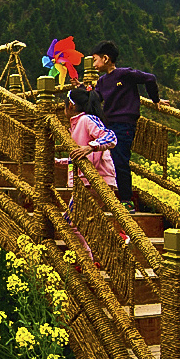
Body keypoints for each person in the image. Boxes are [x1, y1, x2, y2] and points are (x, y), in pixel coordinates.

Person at [89, 40, 163, 213]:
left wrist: (156, 100)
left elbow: (150, 78)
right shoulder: (102, 82)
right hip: (108, 125)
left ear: (106, 58)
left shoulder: (124, 74)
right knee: (108, 159)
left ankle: (126, 200)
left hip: (124, 124)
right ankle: (111, 196)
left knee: (120, 160)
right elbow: (96, 99)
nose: (93, 64)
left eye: (95, 59)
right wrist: (83, 91)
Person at [56, 88, 123, 262]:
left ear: (70, 105)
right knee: (79, 223)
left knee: (70, 222)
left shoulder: (87, 119)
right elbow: (78, 157)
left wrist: (90, 146)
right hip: (87, 182)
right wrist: (59, 162)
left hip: (94, 182)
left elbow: (111, 137)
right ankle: (95, 257)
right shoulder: (76, 125)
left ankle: (88, 261)